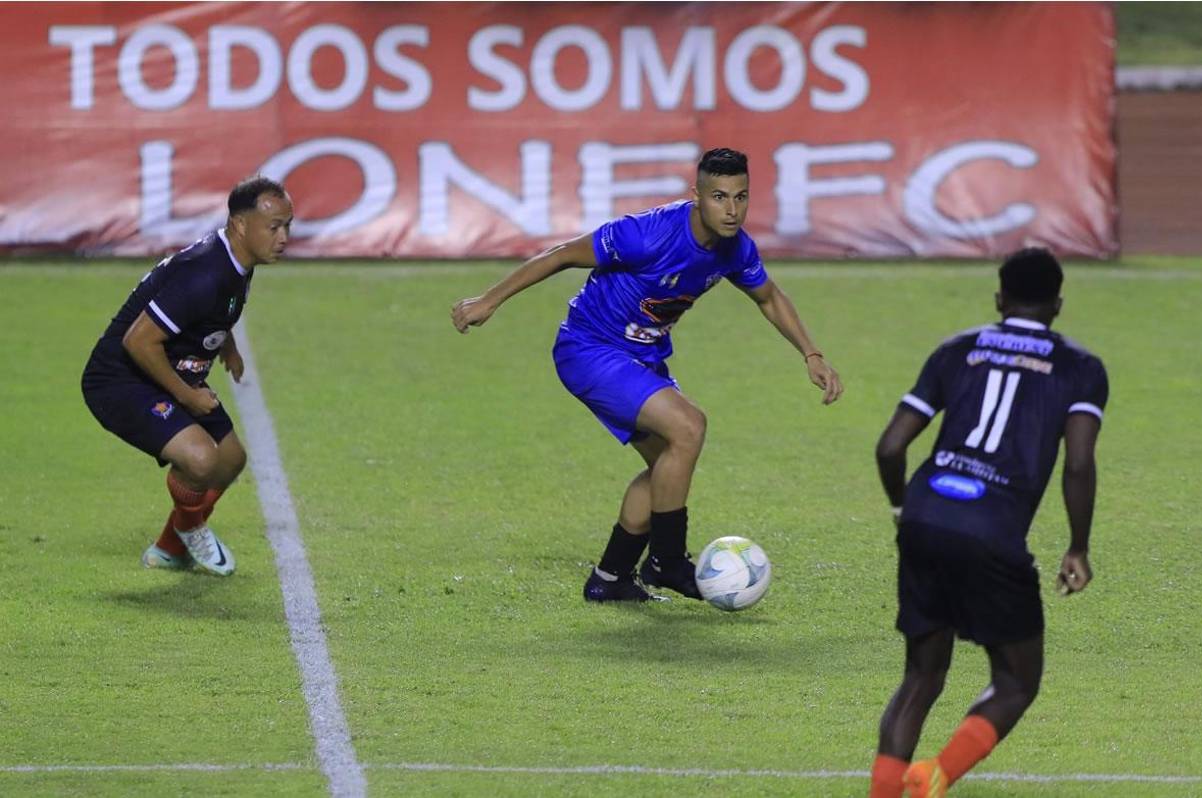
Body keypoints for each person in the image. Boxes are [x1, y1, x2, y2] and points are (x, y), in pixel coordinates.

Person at [452, 148, 843, 602]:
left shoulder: (736, 248)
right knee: (689, 426)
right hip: (590, 348)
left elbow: (769, 297)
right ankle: (666, 562)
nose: (731, 210)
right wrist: (488, 300)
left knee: (665, 466)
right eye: (719, 196)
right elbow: (561, 256)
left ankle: (612, 577)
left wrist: (811, 354)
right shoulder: (645, 234)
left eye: (741, 197)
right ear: (695, 195)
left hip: (643, 358)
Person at [867, 248, 1108, 797]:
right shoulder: (1081, 369)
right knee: (1016, 681)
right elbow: (1078, 463)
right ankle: (936, 775)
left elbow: (889, 447)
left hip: (927, 513)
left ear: (999, 299)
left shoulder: (957, 350)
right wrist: (1077, 546)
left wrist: (906, 512)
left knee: (920, 678)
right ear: (1059, 305)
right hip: (993, 530)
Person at [81, 176, 294, 576]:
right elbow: (138, 341)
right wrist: (188, 395)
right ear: (240, 225)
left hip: (167, 367)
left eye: (288, 225)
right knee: (200, 460)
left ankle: (168, 550)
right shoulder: (203, 272)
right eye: (274, 227)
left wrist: (226, 344)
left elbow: (208, 310)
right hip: (120, 379)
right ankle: (190, 527)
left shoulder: (236, 260)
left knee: (230, 459)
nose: (284, 236)